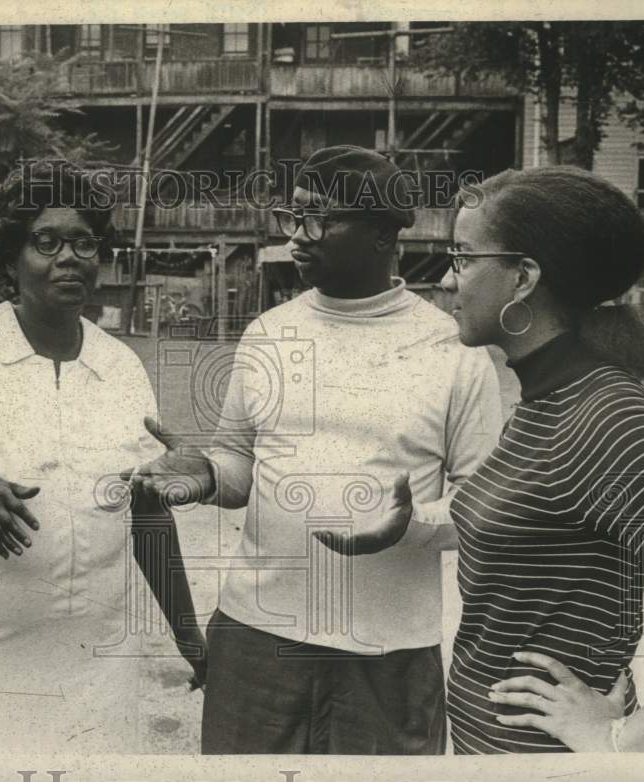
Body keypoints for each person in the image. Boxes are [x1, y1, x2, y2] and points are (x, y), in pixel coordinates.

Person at [328, 165, 644, 753]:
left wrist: (621, 743)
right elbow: (539, 527)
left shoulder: (605, 417)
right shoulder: (545, 398)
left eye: (462, 257)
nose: (446, 280)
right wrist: (413, 522)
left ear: (523, 278)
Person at [129, 145, 503, 754]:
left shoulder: (451, 351)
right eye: (293, 216)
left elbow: (484, 507)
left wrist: (410, 525)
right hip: (257, 640)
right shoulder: (269, 334)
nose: (297, 237)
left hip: (387, 654)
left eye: (319, 219)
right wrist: (203, 474)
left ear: (384, 233)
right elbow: (238, 465)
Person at [0, 161, 206, 753]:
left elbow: (147, 517)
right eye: (46, 241)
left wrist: (193, 642)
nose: (69, 256)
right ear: (11, 257)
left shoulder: (120, 368)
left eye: (84, 242)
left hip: (102, 665)